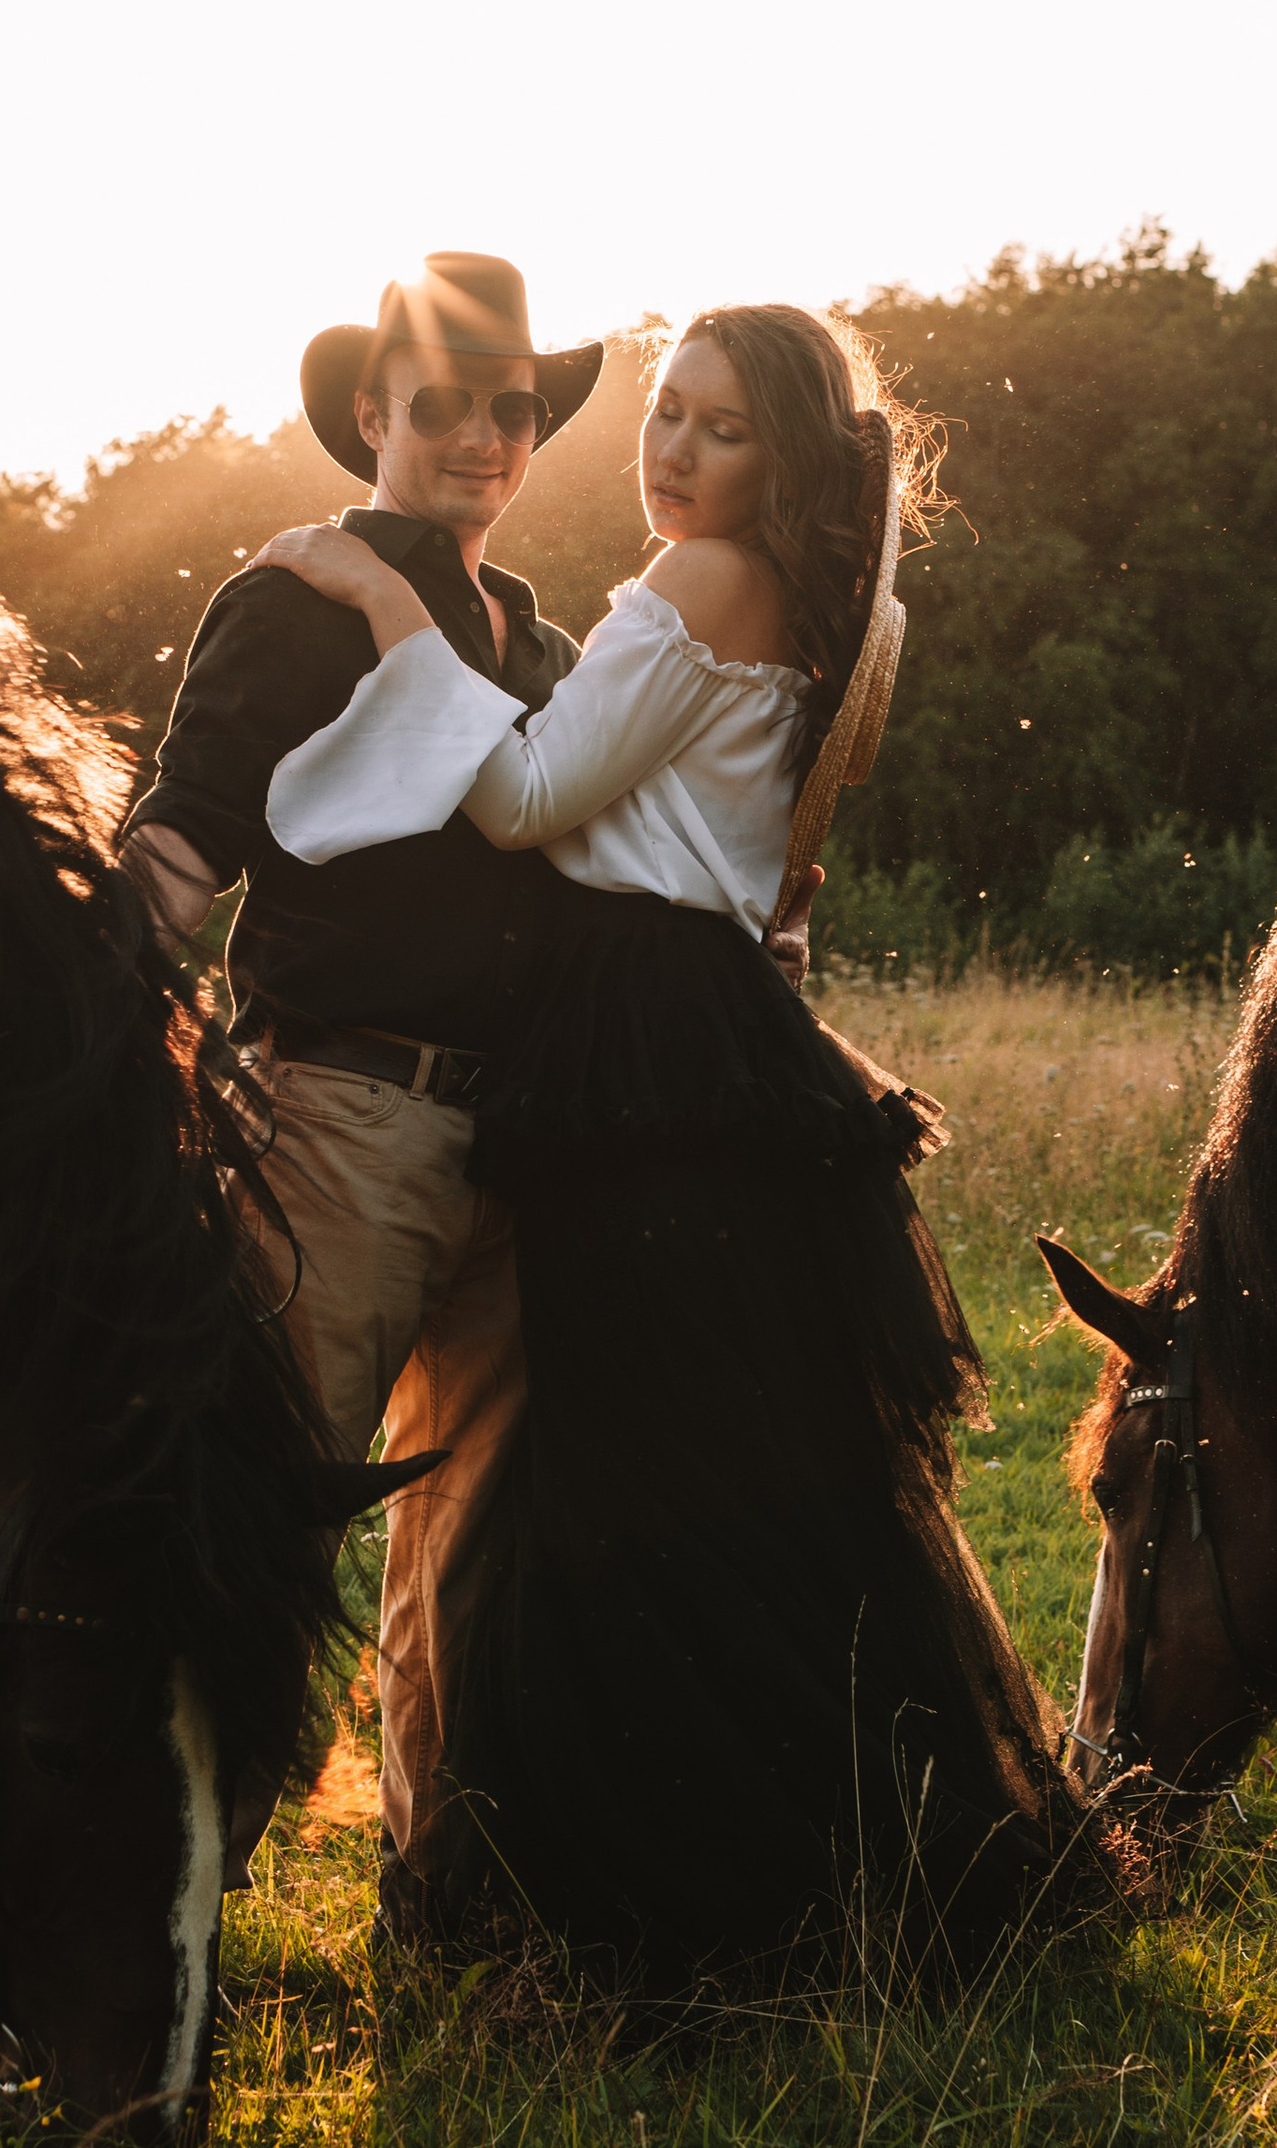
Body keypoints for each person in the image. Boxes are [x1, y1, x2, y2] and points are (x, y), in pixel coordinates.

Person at [255, 303, 1101, 1986]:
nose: (674, 452)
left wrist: (378, 596)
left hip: (639, 1030)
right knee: (735, 1472)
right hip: (711, 1016)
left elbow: (521, 796)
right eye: (663, 414)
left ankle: (650, 1896)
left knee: (611, 1459)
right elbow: (775, 864)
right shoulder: (860, 612)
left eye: (720, 427)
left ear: (785, 453)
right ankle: (799, 1867)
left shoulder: (699, 584)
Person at [118, 253, 602, 1919]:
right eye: (445, 404)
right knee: (275, 1516)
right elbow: (185, 837)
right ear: (374, 419)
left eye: (510, 407)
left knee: (474, 1534)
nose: (481, 434)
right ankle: (165, 1908)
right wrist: (87, 978)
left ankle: (440, 1887)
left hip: (516, 1140)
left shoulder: (540, 641)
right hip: (335, 1116)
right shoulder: (289, 607)